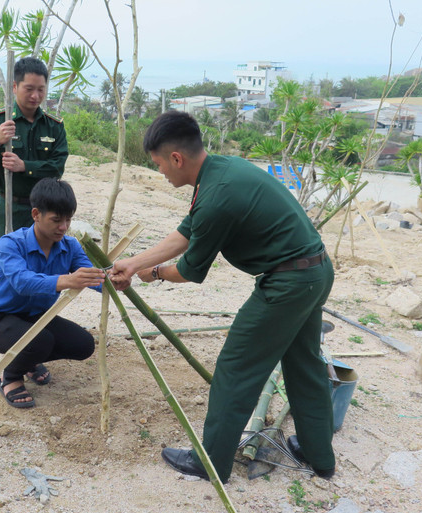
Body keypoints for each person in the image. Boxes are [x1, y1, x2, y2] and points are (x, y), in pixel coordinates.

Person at [110, 111, 336, 484]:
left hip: (288, 285)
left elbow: (188, 270)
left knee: (235, 368)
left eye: (159, 164)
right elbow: (187, 232)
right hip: (315, 272)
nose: (161, 172)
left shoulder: (217, 197)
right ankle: (318, 456)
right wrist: (133, 263)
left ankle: (211, 463)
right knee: (304, 363)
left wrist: (152, 275)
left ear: (177, 159)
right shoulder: (222, 170)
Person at [0, 178, 105, 409]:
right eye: (56, 220)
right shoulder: (10, 244)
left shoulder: (71, 246)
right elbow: (22, 282)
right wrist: (67, 280)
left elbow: (90, 275)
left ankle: (27, 360)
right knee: (40, 341)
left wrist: (111, 281)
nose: (63, 227)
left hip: (38, 317)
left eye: (68, 220)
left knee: (84, 345)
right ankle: (10, 376)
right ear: (36, 214)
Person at [0, 57, 68, 237]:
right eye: (29, 89)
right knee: (10, 261)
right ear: (15, 87)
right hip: (10, 208)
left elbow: (57, 168)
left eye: (41, 90)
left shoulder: (54, 126)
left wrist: (25, 166)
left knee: (43, 262)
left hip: (45, 211)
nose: (35, 96)